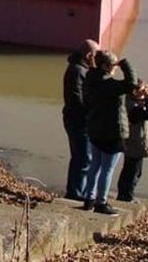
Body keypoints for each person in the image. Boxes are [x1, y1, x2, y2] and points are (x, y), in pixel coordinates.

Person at [79, 50, 137, 215]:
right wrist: (125, 64)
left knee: (95, 166)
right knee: (107, 169)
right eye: (113, 65)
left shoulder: (90, 79)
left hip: (94, 129)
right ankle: (101, 202)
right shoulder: (109, 85)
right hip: (111, 132)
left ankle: (88, 199)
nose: (115, 68)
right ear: (106, 65)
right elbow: (131, 84)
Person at [62, 39, 99, 200]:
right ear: (89, 55)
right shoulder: (78, 71)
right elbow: (77, 99)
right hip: (78, 120)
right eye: (96, 55)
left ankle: (77, 190)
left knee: (80, 156)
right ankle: (76, 193)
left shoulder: (79, 69)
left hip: (76, 119)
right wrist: (92, 111)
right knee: (83, 157)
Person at [117, 81, 148, 202]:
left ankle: (124, 194)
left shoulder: (132, 102)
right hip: (135, 143)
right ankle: (127, 196)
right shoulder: (133, 105)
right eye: (143, 90)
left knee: (131, 169)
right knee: (133, 171)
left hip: (134, 142)